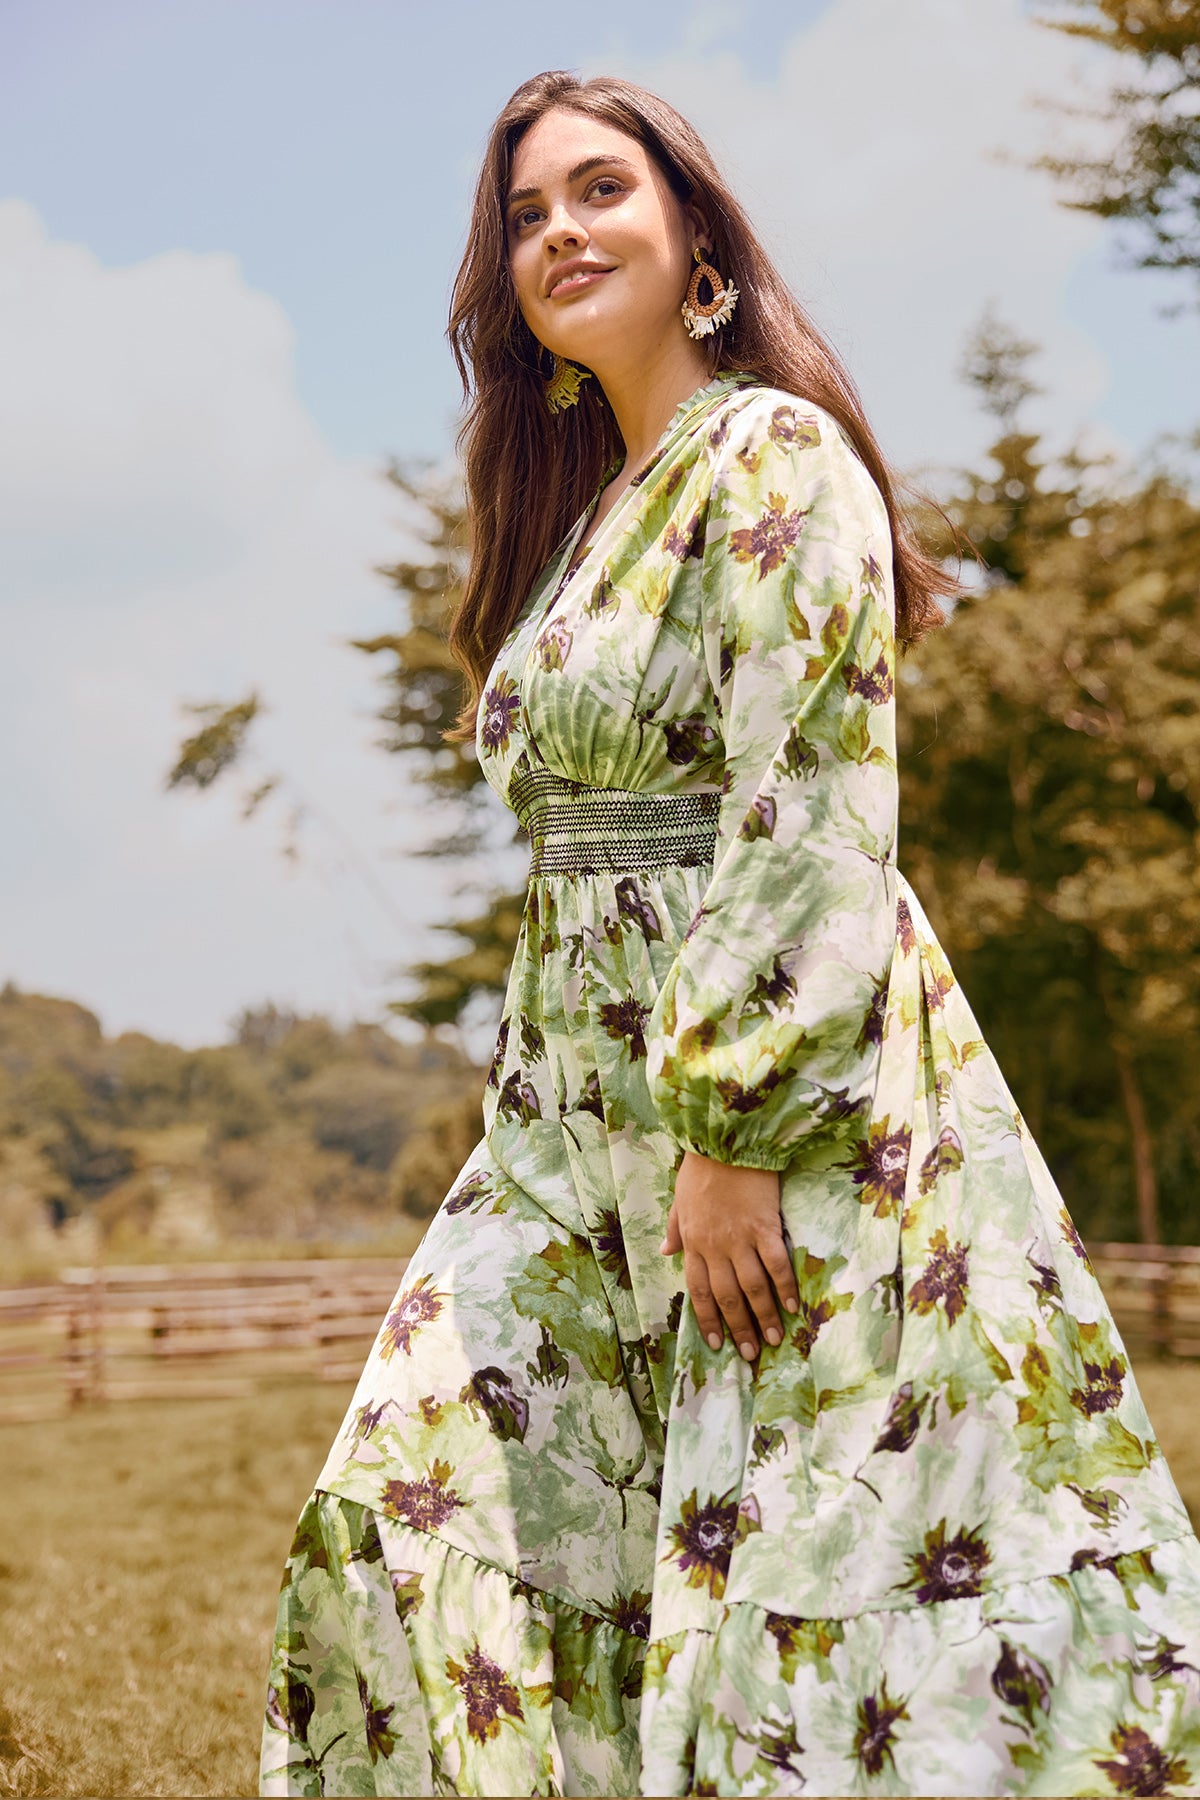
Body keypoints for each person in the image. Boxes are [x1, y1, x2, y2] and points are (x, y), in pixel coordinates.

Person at [260, 69, 1200, 1800]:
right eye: (525, 215)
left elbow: (811, 799)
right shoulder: (581, 524)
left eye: (599, 189)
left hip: (779, 1114)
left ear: (696, 236)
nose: (560, 231)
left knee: (798, 1599)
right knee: (407, 1494)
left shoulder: (772, 455)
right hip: (566, 1141)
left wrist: (735, 1133)